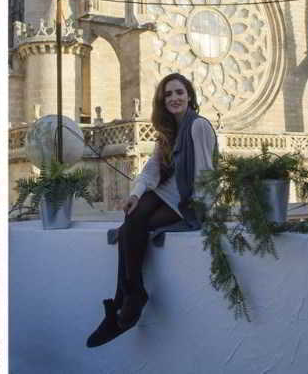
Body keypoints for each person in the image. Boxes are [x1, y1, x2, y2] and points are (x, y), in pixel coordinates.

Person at [86, 73, 216, 348]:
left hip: (185, 200)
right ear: (162, 101)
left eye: (179, 92)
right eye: (168, 94)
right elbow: (152, 169)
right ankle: (132, 295)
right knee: (132, 216)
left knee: (131, 228)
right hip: (163, 192)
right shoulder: (168, 130)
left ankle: (124, 302)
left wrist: (203, 211)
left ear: (190, 95)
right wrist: (134, 195)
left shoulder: (199, 126)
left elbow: (206, 171)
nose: (174, 98)